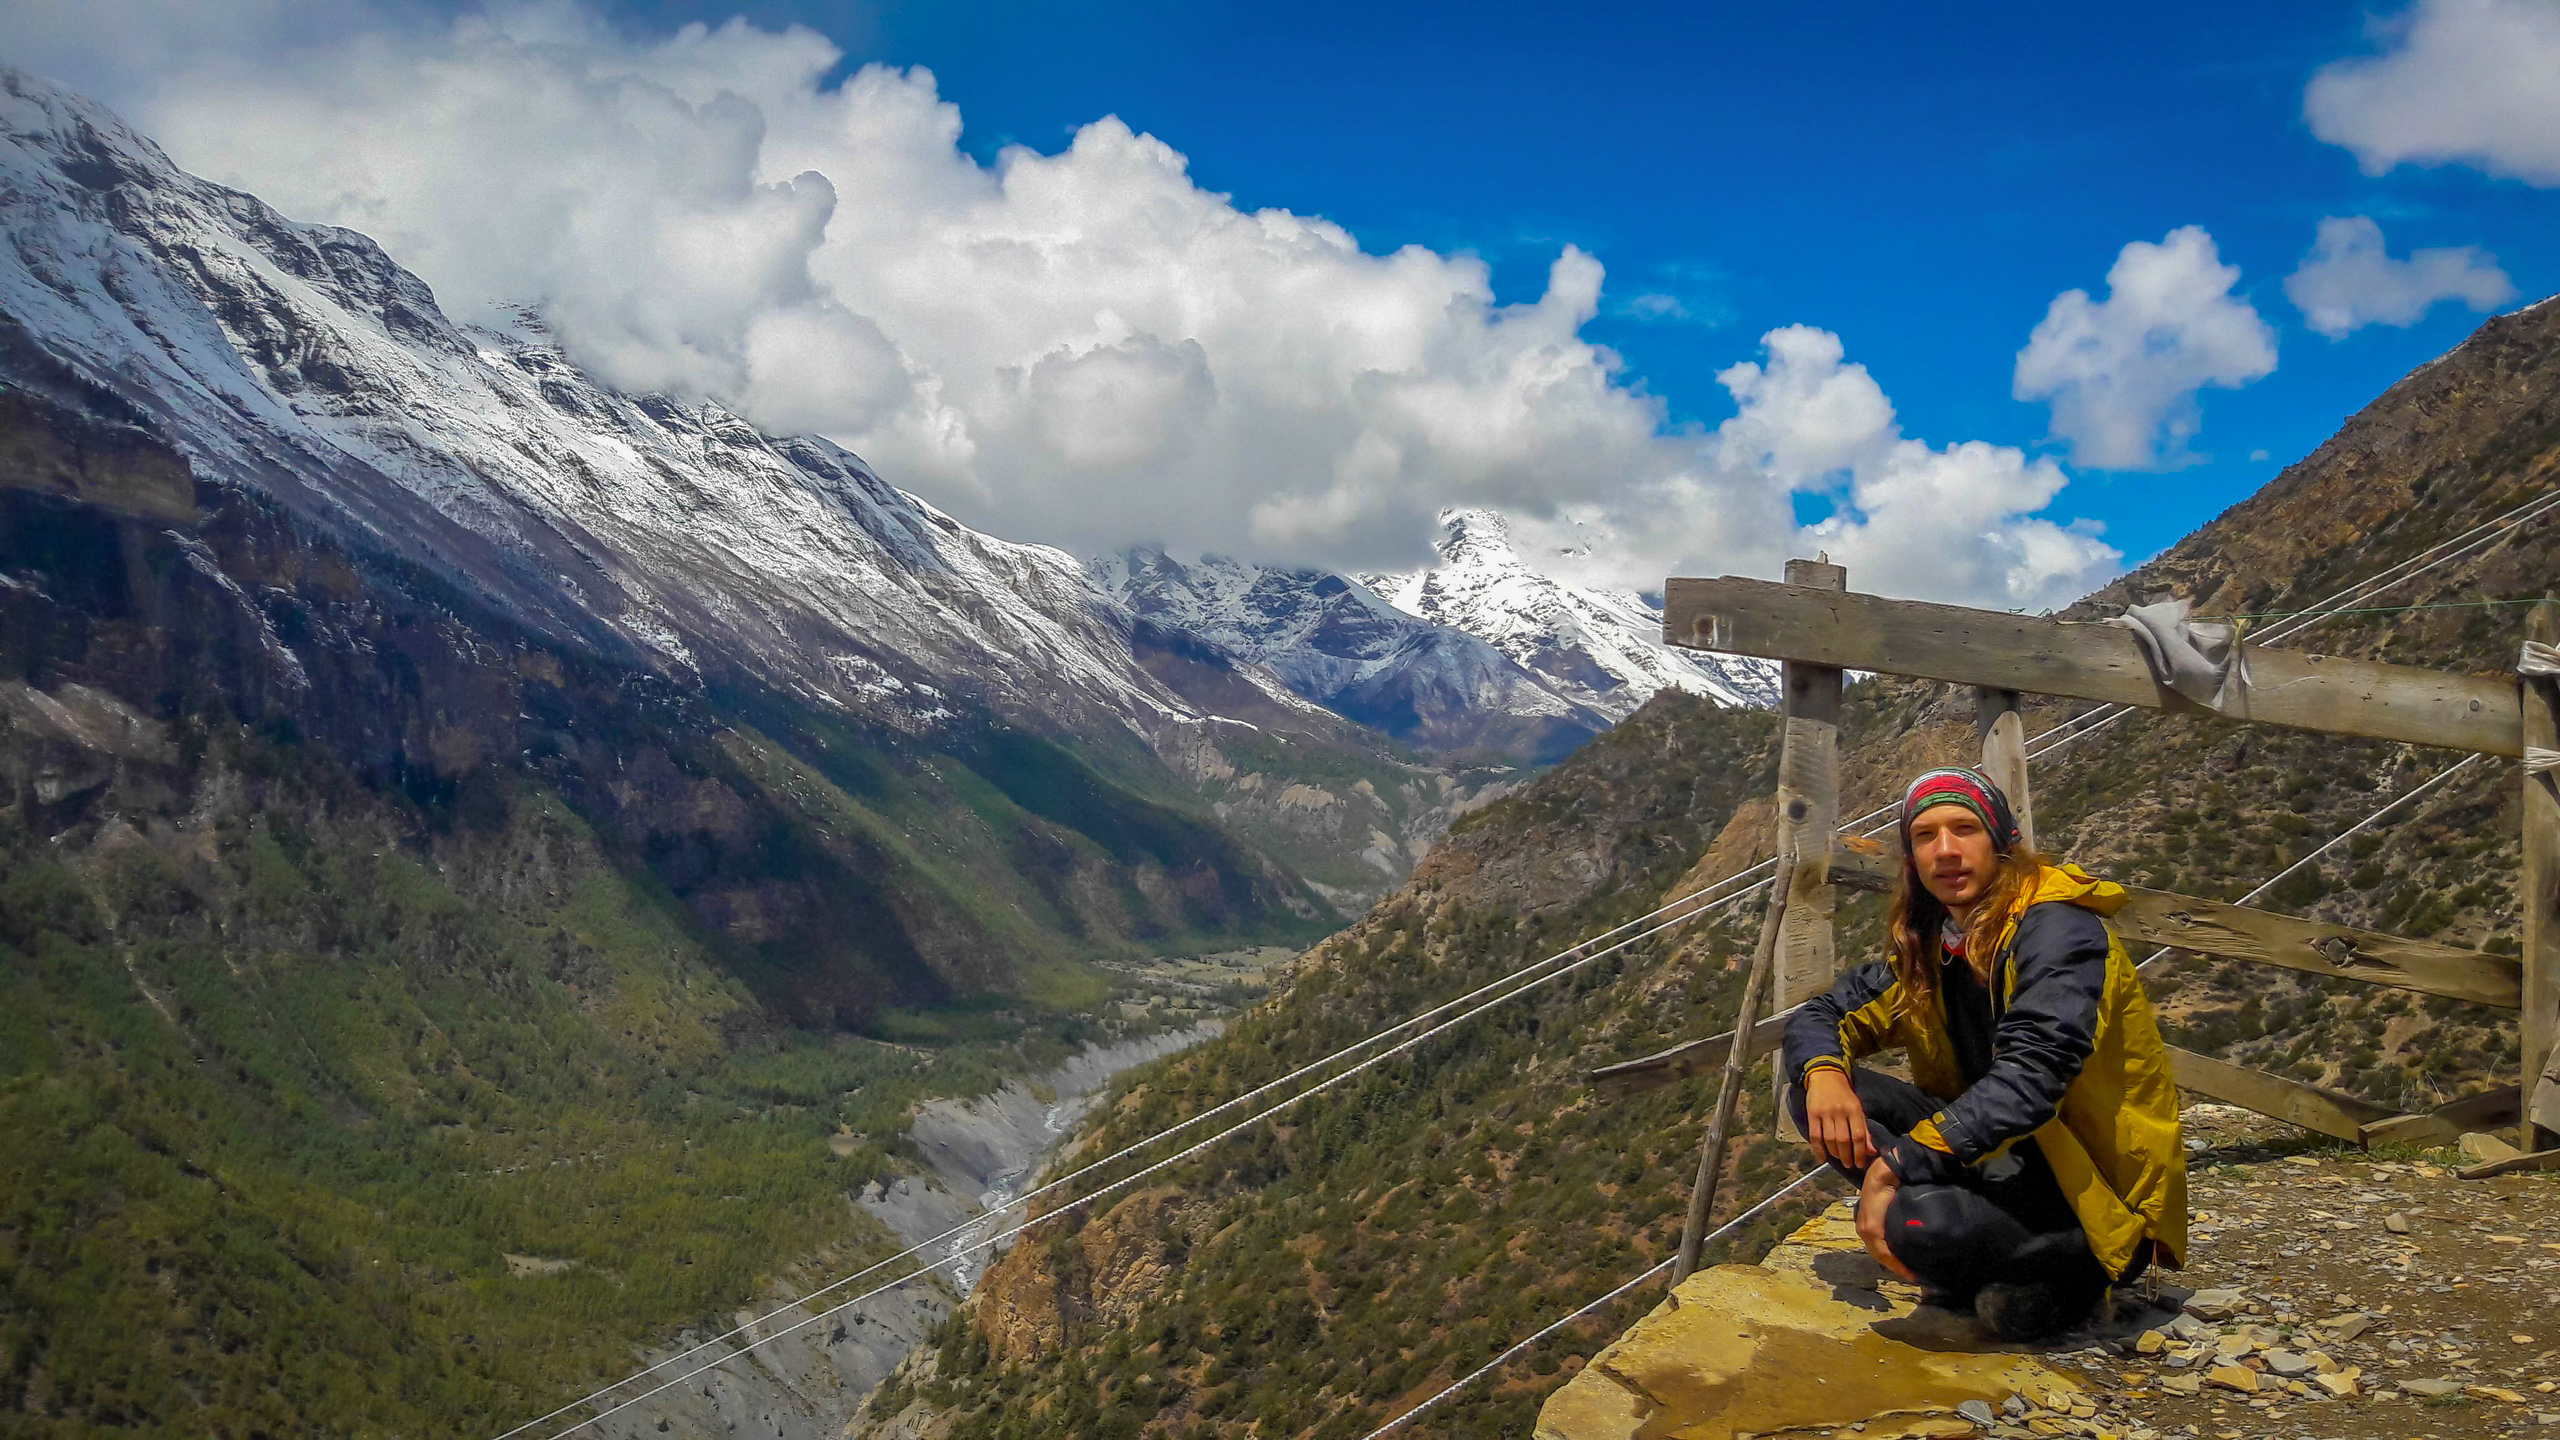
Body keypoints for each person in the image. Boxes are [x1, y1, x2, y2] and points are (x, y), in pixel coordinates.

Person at [1780, 767, 2186, 1341]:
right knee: (1815, 1098)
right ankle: (1976, 1247)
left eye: (1964, 829)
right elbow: (1822, 1015)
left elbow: (2033, 1076)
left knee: (1917, 1221)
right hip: (1995, 1153)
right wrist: (1823, 1074)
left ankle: (2070, 1270)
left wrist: (1897, 1166)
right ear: (1911, 857)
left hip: (2088, 1188)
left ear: (2001, 842)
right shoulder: (1935, 946)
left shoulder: (2059, 933)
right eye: (1925, 836)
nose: (1945, 851)